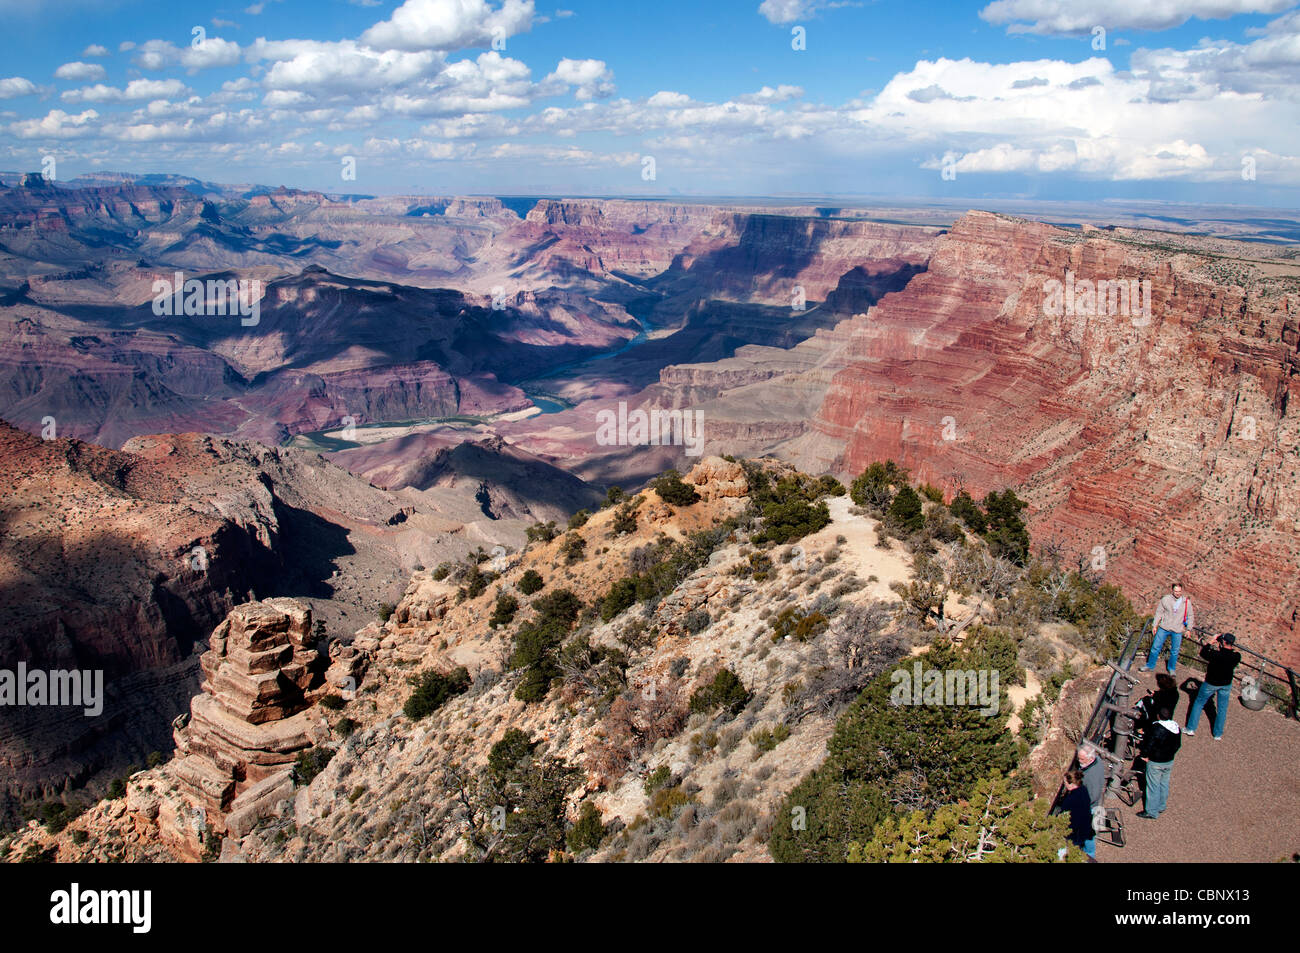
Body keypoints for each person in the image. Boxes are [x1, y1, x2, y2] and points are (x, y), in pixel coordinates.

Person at [1186, 633, 1243, 740]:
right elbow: (1231, 655)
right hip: (1226, 684)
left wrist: (1211, 641)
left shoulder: (1215, 655)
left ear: (1223, 642)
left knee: (1199, 703)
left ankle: (1191, 728)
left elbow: (1203, 653)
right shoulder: (1236, 656)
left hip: (1211, 683)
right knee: (1222, 709)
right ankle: (1217, 734)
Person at [1137, 706, 1181, 819]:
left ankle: (1151, 811)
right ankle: (1161, 805)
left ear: (1158, 716)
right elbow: (1178, 745)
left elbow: (1149, 745)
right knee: (1164, 783)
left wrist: (1145, 755)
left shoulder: (1157, 728)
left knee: (1153, 786)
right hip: (1169, 760)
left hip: (1156, 762)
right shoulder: (1176, 727)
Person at [1143, 581, 1193, 674]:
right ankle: (1150, 665)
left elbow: (1190, 616)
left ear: (1182, 591)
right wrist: (1155, 625)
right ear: (1172, 590)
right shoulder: (1165, 599)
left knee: (1175, 651)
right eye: (1175, 591)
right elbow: (1159, 612)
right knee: (1155, 647)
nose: (1177, 593)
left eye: (1179, 591)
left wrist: (1189, 629)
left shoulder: (1186, 602)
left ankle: (1171, 669)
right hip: (1164, 628)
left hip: (1177, 630)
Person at [1076, 745, 1105, 858]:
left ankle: (1089, 856)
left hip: (1089, 807)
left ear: (1090, 759)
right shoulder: (1097, 761)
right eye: (1079, 758)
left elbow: (1093, 796)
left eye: (1082, 759)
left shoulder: (1091, 776)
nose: (1079, 761)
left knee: (1087, 834)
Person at [1059, 769, 1095, 858]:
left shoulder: (1071, 800)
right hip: (1086, 827)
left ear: (1070, 783)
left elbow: (1065, 817)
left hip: (1075, 834)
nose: (1064, 784)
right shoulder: (1083, 789)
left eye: (1065, 782)